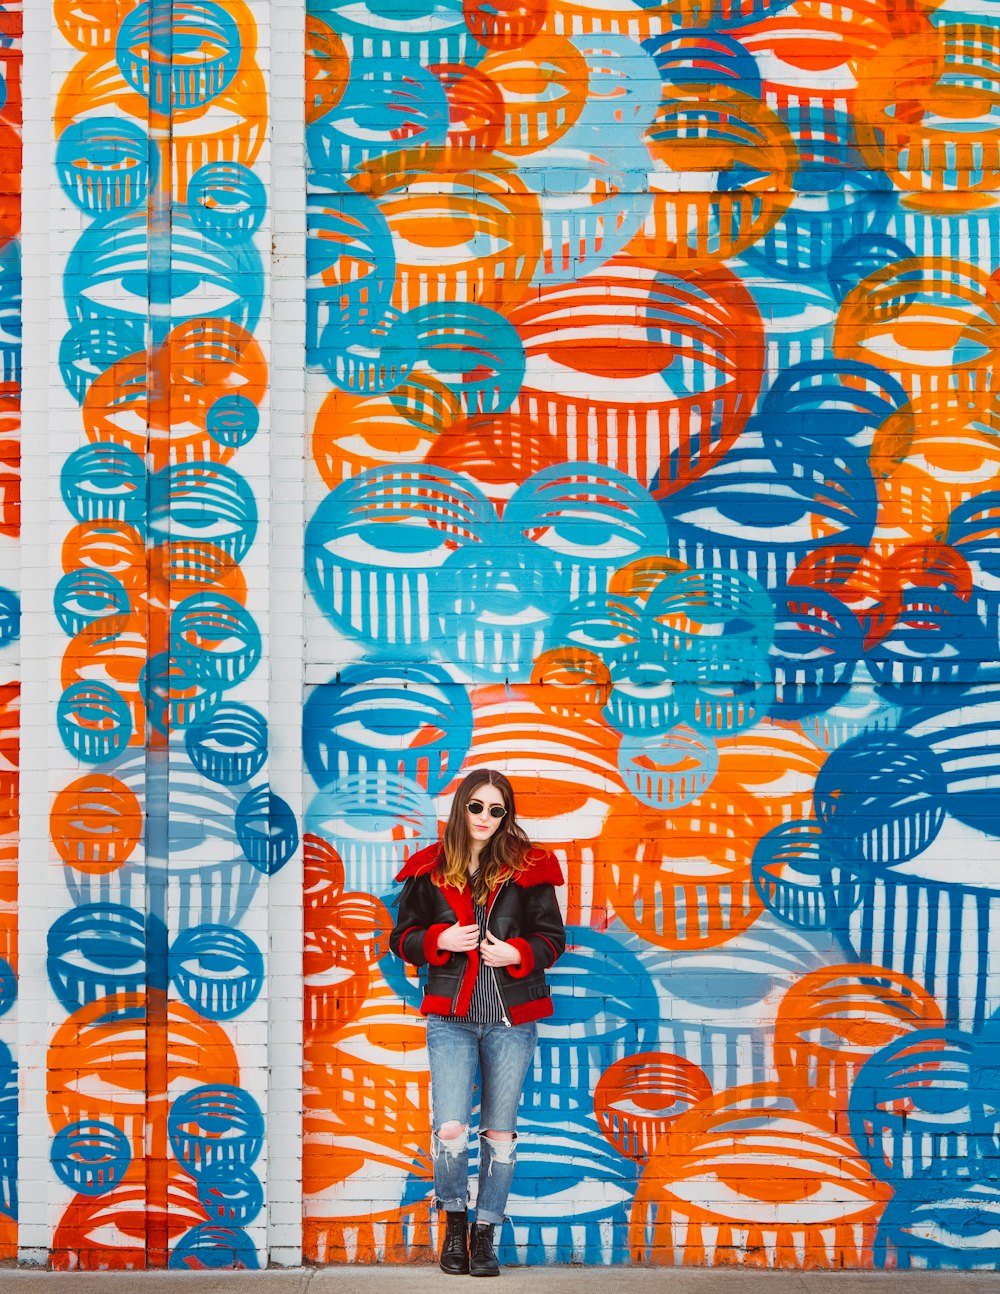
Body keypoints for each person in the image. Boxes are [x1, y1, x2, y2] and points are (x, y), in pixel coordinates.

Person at [389, 768, 566, 1277]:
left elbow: (551, 939)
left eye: (497, 810)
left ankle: (485, 1233)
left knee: (500, 1134)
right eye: (477, 807)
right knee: (450, 1129)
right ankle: (455, 1222)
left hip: (512, 1020)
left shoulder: (530, 868)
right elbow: (402, 937)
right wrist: (437, 942)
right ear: (461, 806)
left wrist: (517, 951)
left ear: (506, 814)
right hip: (451, 1018)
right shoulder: (430, 868)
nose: (486, 817)